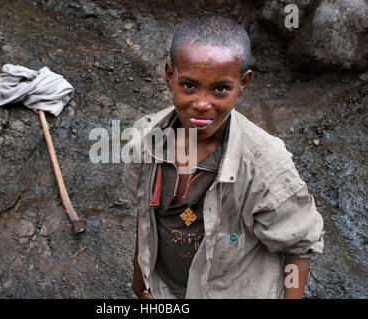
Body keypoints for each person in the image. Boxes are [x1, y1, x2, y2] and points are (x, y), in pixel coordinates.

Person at [122, 13, 324, 299]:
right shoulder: (145, 142)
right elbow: (145, 217)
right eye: (189, 85)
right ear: (170, 76)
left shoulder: (265, 166)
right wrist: (140, 283)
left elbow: (299, 248)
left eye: (220, 89)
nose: (202, 104)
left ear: (243, 83)